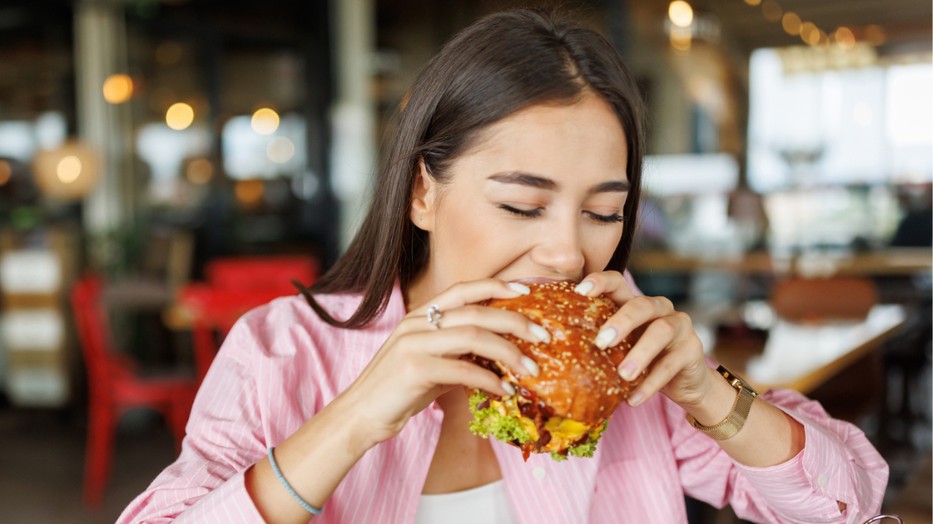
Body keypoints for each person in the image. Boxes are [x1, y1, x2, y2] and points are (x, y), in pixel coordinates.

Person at [118, 9, 887, 524]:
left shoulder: (624, 360)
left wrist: (706, 391)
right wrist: (353, 417)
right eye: (522, 206)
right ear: (422, 192)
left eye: (602, 212)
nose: (566, 253)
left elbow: (846, 505)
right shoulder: (281, 352)